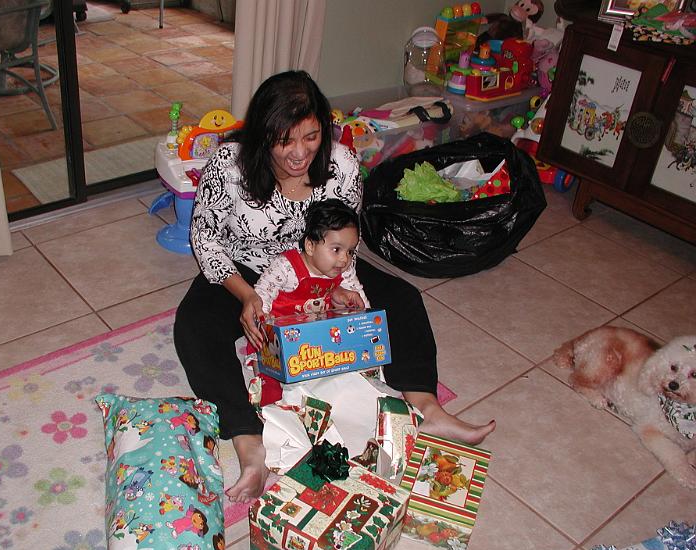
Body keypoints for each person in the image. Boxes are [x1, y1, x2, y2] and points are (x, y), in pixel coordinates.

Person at [174, 70, 495, 503]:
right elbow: (207, 238)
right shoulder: (228, 164)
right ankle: (250, 445)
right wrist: (249, 296)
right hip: (246, 270)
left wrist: (344, 286)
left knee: (402, 298)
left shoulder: (342, 164)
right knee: (194, 326)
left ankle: (426, 407)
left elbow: (345, 240)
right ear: (262, 135)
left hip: (321, 268)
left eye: (310, 137)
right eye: (284, 140)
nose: (299, 153)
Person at [248, 198, 369, 406]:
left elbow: (358, 293)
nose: (344, 260)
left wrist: (365, 320)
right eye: (336, 249)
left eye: (350, 251)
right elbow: (262, 293)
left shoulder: (344, 269)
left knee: (339, 372)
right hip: (278, 335)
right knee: (271, 378)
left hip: (314, 334)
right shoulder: (286, 267)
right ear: (310, 246)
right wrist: (263, 320)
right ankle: (267, 399)